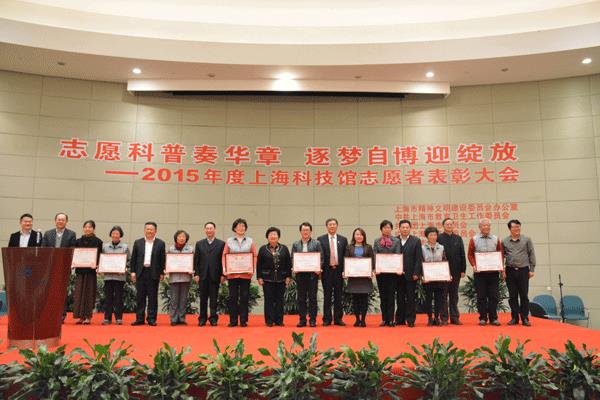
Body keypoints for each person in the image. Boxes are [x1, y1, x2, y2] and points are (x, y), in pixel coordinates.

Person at [468, 218, 504, 326]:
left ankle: (493, 318)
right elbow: (470, 254)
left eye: (488, 225)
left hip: (493, 273)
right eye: (484, 225)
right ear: (480, 227)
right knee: (481, 296)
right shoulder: (474, 239)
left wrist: (502, 269)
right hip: (480, 273)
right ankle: (483, 318)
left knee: (494, 296)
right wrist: (474, 265)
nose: (486, 227)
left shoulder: (495, 239)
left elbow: (500, 254)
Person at [42, 212, 77, 322]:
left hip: (63, 267)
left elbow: (72, 250)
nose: (60, 221)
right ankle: (49, 313)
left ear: (66, 222)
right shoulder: (48, 233)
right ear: (55, 221)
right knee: (49, 291)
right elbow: (43, 250)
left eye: (63, 220)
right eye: (59, 219)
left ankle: (61, 314)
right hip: (50, 267)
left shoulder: (71, 234)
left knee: (62, 292)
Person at [222, 218, 257, 327]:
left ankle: (243, 320)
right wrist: (225, 268)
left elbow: (254, 255)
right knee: (233, 297)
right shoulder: (229, 241)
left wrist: (253, 268)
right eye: (239, 226)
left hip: (246, 274)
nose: (241, 228)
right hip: (232, 274)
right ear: (234, 228)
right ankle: (233, 321)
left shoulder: (250, 241)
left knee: (244, 297)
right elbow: (224, 255)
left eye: (243, 226)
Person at [130, 222, 166, 326]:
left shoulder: (160, 243)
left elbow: (162, 259)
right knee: (140, 297)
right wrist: (133, 272)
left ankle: (151, 319)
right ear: (144, 230)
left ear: (155, 231)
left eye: (151, 229)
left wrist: (162, 272)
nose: (149, 231)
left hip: (153, 272)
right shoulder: (138, 242)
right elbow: (133, 258)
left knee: (152, 297)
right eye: (147, 229)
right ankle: (139, 318)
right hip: (140, 272)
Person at [502, 219, 536, 327]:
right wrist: (502, 271)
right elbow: (502, 257)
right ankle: (514, 318)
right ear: (510, 229)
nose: (517, 229)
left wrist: (532, 269)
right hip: (510, 271)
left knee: (524, 295)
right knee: (512, 296)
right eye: (514, 227)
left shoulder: (526, 239)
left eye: (518, 226)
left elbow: (531, 254)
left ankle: (525, 318)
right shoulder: (504, 241)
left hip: (523, 271)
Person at [257, 227, 292, 327]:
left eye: (275, 234)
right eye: (271, 234)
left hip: (281, 278)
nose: (273, 236)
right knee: (268, 300)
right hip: (267, 279)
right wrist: (259, 277)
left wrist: (288, 276)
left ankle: (279, 320)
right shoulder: (263, 249)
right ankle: (269, 320)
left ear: (278, 237)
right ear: (267, 237)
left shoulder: (284, 248)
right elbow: (259, 264)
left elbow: (288, 263)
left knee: (280, 300)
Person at [194, 222, 226, 326]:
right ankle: (202, 318)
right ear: (205, 230)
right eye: (207, 228)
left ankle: (213, 318)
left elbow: (223, 261)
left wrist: (223, 275)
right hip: (202, 275)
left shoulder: (221, 244)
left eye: (211, 228)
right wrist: (196, 274)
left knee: (214, 298)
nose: (209, 230)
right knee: (203, 298)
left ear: (214, 230)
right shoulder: (199, 243)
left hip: (215, 275)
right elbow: (196, 260)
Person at [291, 222, 323, 328]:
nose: (305, 232)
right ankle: (302, 320)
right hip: (300, 275)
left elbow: (321, 258)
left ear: (311, 231)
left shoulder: (317, 243)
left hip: (312, 275)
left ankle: (312, 320)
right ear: (300, 231)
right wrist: (294, 267)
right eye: (303, 230)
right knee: (301, 298)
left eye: (307, 230)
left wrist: (319, 268)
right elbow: (292, 258)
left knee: (313, 298)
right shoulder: (296, 244)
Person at [318, 218, 348, 326]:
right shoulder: (320, 239)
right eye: (330, 224)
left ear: (337, 226)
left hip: (339, 271)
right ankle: (327, 319)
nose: (332, 226)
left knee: (338, 295)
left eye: (334, 224)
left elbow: (345, 256)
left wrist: (345, 271)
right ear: (327, 226)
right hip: (326, 271)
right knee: (327, 295)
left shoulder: (343, 239)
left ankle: (338, 319)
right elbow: (319, 256)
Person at [73, 220, 103, 325]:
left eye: (90, 227)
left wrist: (97, 265)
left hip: (91, 271)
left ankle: (88, 317)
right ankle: (80, 317)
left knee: (89, 293)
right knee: (79, 293)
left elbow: (100, 256)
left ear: (93, 229)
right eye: (85, 227)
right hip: (80, 270)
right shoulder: (78, 241)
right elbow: (74, 255)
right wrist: (73, 263)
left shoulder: (98, 242)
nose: (87, 229)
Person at [437, 218, 466, 325]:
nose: (449, 226)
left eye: (451, 224)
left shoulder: (458, 238)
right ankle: (444, 318)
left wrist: (463, 270)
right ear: (443, 226)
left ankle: (455, 317)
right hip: (443, 271)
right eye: (447, 224)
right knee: (443, 295)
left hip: (456, 271)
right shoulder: (439, 238)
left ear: (453, 225)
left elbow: (462, 254)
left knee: (454, 295)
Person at [373, 220, 401, 327]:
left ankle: (391, 319)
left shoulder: (396, 241)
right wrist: (376, 268)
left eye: (388, 227)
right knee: (383, 296)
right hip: (381, 273)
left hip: (392, 273)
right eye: (384, 227)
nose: (387, 229)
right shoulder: (377, 241)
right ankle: (384, 319)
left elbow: (397, 254)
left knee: (391, 296)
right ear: (381, 229)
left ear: (391, 229)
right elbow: (375, 255)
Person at [345, 227, 374, 327]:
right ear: (354, 236)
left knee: (364, 299)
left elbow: (372, 261)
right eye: (357, 234)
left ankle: (363, 320)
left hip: (365, 277)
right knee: (355, 299)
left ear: (364, 236)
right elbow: (346, 260)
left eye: (361, 234)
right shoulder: (349, 247)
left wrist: (371, 271)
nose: (359, 236)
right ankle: (357, 319)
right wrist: (346, 272)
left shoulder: (368, 247)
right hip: (354, 277)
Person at [396, 220, 423, 328]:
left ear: (410, 228)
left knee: (411, 298)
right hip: (397, 274)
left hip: (411, 274)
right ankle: (400, 319)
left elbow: (418, 258)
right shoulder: (395, 240)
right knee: (399, 297)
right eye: (403, 227)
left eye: (407, 227)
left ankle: (411, 319)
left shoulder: (416, 241)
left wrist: (416, 272)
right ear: (399, 228)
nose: (405, 229)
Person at [101, 226, 129, 325]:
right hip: (108, 276)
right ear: (111, 235)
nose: (115, 235)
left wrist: (125, 268)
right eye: (113, 233)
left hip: (119, 277)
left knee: (118, 298)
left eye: (117, 233)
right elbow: (102, 260)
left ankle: (118, 318)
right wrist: (101, 268)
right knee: (108, 298)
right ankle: (107, 318)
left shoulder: (125, 247)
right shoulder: (105, 247)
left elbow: (129, 261)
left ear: (120, 235)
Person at [421, 227, 448, 326]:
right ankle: (429, 317)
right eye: (431, 235)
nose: (433, 237)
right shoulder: (422, 248)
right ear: (427, 236)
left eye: (435, 235)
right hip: (428, 278)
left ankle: (437, 317)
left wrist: (446, 274)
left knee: (439, 298)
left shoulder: (441, 247)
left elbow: (445, 260)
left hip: (439, 277)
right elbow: (421, 262)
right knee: (428, 298)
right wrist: (422, 276)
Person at [167, 230, 194, 326]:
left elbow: (193, 262)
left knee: (183, 300)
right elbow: (167, 262)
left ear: (186, 238)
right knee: (174, 299)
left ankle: (181, 318)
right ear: (176, 238)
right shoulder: (171, 249)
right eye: (179, 236)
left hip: (186, 277)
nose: (181, 238)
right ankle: (174, 319)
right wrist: (167, 268)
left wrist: (192, 269)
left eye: (183, 236)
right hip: (174, 277)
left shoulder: (190, 249)